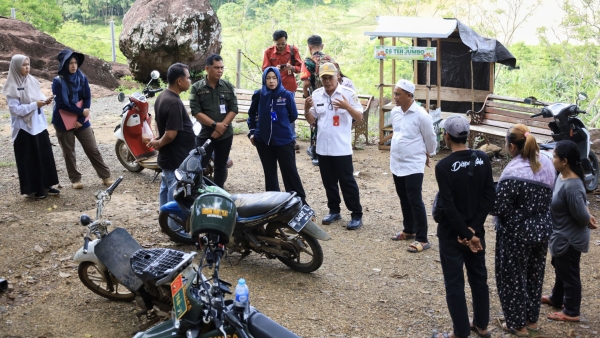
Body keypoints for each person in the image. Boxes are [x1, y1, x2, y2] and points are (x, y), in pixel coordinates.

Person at [433, 115, 495, 338]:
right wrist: (474, 231)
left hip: (452, 234)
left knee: (455, 283)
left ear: (447, 136)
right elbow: (489, 196)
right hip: (477, 233)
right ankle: (482, 325)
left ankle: (460, 332)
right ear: (467, 136)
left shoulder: (444, 167)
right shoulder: (483, 159)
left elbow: (448, 206)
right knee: (479, 277)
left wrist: (464, 233)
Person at [492, 124, 555, 336]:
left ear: (511, 146)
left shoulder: (512, 171)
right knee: (534, 275)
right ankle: (532, 320)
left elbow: (499, 207)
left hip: (516, 234)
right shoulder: (546, 163)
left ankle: (517, 325)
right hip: (542, 230)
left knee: (512, 277)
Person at [542, 140, 597, 322]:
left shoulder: (572, 185)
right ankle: (557, 298)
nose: (552, 159)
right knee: (561, 268)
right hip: (561, 236)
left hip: (570, 239)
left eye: (555, 156)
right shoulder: (561, 175)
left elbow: (581, 215)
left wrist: (588, 217)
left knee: (569, 273)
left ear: (564, 161)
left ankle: (572, 311)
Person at [305, 63, 363, 230]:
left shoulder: (348, 94)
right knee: (329, 182)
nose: (327, 81)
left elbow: (359, 117)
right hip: (323, 147)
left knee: (347, 182)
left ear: (338, 76)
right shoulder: (317, 95)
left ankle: (356, 214)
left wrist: (347, 107)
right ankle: (334, 211)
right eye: (324, 78)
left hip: (341, 148)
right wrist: (307, 109)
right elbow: (312, 121)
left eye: (330, 77)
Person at [52, 49, 113, 189]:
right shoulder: (58, 81)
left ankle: (105, 176)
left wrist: (80, 117)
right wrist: (81, 111)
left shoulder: (82, 77)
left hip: (81, 120)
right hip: (63, 121)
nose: (74, 66)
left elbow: (87, 97)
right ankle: (75, 180)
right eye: (70, 63)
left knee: (92, 148)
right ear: (64, 65)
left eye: (75, 62)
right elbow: (61, 104)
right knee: (69, 152)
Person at [388, 80, 437, 253]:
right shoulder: (395, 112)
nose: (395, 97)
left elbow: (430, 138)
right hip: (397, 161)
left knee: (415, 199)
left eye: (398, 94)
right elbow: (398, 134)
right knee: (403, 197)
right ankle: (409, 229)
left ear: (409, 95)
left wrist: (428, 153)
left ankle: (422, 238)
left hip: (413, 163)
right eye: (395, 93)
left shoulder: (421, 115)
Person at [2, 54, 59, 199]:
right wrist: (35, 105)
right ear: (16, 67)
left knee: (44, 155)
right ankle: (35, 189)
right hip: (24, 128)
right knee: (30, 158)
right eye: (24, 65)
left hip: (38, 125)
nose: (27, 67)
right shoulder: (11, 86)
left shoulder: (32, 80)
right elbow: (15, 110)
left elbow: (38, 96)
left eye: (28, 64)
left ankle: (47, 184)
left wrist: (45, 100)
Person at [247, 67, 307, 204]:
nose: (271, 81)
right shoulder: (259, 95)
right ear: (264, 79)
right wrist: (252, 132)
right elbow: (251, 115)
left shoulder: (286, 95)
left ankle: (299, 202)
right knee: (270, 173)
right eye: (268, 78)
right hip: (263, 141)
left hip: (284, 140)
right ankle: (274, 203)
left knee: (290, 172)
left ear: (279, 78)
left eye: (274, 78)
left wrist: (281, 126)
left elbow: (293, 115)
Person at [147, 63, 194, 207]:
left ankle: (165, 220)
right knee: (175, 193)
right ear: (179, 81)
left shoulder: (162, 96)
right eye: (188, 78)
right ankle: (173, 226)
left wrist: (157, 138)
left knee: (166, 186)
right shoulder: (173, 102)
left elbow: (157, 121)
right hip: (175, 157)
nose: (190, 81)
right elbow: (171, 134)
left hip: (169, 156)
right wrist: (159, 143)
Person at [189, 54, 238, 189]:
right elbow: (196, 111)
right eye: (216, 68)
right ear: (207, 68)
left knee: (221, 166)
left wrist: (222, 127)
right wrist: (215, 125)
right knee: (199, 166)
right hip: (205, 134)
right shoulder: (197, 88)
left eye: (222, 68)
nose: (220, 71)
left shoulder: (227, 85)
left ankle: (218, 192)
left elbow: (234, 108)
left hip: (225, 134)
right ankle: (199, 192)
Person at [262, 30, 303, 151]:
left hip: (289, 87)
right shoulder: (268, 52)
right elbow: (264, 69)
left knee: (288, 112)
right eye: (278, 44)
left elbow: (300, 67)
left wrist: (292, 67)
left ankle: (291, 138)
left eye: (283, 43)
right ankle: (274, 135)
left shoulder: (292, 50)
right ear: (274, 42)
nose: (280, 46)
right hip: (273, 87)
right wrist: (275, 69)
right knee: (274, 110)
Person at [300, 35, 337, 166]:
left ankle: (316, 152)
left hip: (318, 95)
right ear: (322, 46)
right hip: (333, 94)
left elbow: (305, 84)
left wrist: (306, 97)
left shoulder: (308, 61)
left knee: (315, 120)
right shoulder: (330, 60)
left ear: (309, 47)